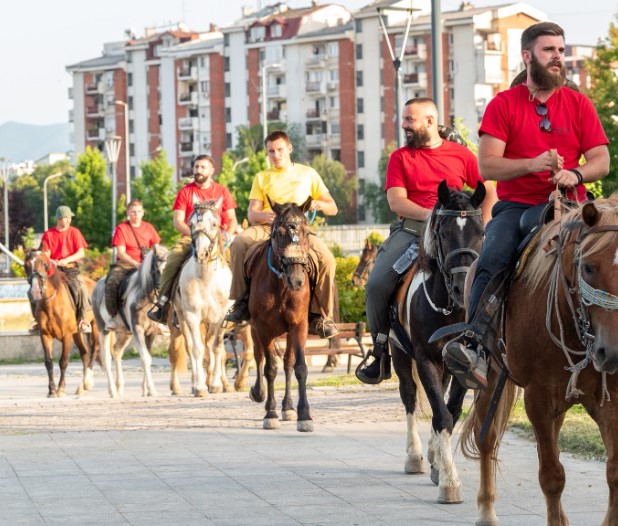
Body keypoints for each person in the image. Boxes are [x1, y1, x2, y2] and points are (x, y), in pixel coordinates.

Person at [443, 21, 610, 390]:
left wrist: (577, 175)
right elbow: (487, 165)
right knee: (492, 257)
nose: (558, 57)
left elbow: (601, 159)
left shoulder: (579, 103)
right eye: (549, 50)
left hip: (573, 206)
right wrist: (532, 164)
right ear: (527, 56)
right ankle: (474, 345)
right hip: (516, 207)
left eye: (561, 51)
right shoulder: (503, 103)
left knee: (612, 251)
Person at [355, 97, 497, 385]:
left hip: (457, 235)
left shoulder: (461, 154)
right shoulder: (400, 158)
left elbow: (489, 191)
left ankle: (486, 349)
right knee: (375, 284)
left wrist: (482, 224)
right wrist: (435, 217)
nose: (404, 125)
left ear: (430, 121)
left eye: (410, 119)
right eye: (404, 119)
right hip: (411, 231)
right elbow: (397, 201)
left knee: (492, 274)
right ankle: (380, 351)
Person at [224, 129, 340, 339]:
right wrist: (264, 215)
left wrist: (319, 203)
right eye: (271, 152)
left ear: (289, 149)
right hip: (270, 227)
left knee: (327, 260)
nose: (275, 155)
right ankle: (240, 302)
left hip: (299, 231)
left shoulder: (308, 173)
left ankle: (322, 316)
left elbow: (333, 208)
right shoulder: (262, 177)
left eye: (279, 150)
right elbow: (252, 214)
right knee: (239, 243)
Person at [147, 154, 238, 323]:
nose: (199, 170)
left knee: (237, 261)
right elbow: (178, 221)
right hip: (191, 237)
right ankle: (163, 303)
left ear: (211, 170)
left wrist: (229, 236)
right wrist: (197, 235)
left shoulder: (222, 191)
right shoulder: (185, 192)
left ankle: (241, 303)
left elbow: (232, 219)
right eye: (196, 167)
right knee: (172, 260)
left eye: (203, 167)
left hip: (218, 238)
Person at [104, 199, 161, 330]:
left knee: (163, 280)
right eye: (133, 212)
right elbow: (121, 252)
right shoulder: (121, 228)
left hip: (148, 265)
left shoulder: (149, 228)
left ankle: (162, 315)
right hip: (126, 265)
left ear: (143, 213)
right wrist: (136, 264)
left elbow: (156, 248)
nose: (136, 214)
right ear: (128, 213)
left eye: (139, 212)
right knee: (112, 282)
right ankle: (113, 317)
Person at [39, 205, 92, 333]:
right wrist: (51, 260)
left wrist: (66, 260)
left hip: (70, 268)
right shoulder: (48, 234)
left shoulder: (74, 232)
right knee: (35, 291)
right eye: (65, 218)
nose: (68, 220)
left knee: (81, 287)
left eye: (69, 217)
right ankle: (38, 321)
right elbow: (46, 253)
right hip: (53, 271)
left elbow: (81, 252)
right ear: (58, 219)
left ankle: (83, 319)